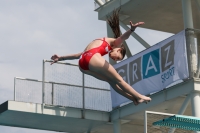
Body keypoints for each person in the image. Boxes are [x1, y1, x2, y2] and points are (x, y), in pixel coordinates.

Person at [51, 9, 151, 105]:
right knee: (119, 79)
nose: (114, 59)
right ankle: (139, 96)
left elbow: (79, 55)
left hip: (82, 64)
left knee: (111, 81)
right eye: (118, 57)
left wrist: (60, 58)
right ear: (119, 49)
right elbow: (123, 38)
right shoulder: (113, 43)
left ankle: (133, 99)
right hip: (91, 58)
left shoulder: (97, 43)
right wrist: (131, 29)